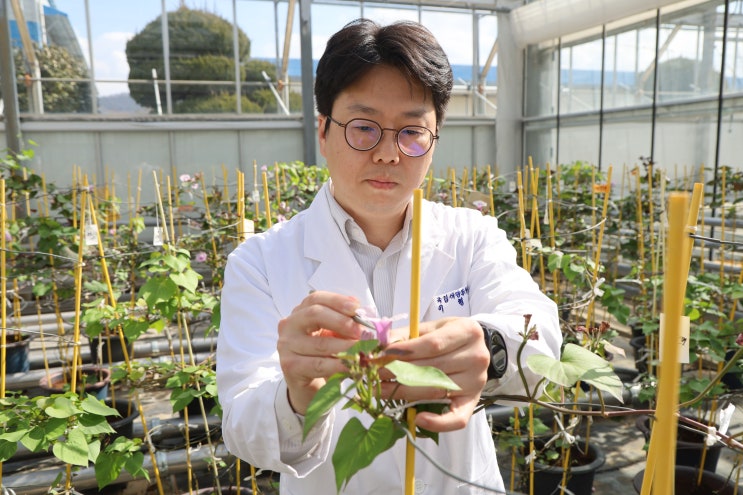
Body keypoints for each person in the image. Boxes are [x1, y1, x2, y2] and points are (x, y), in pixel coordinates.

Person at [217, 18, 562, 495]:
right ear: (323, 131)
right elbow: (240, 426)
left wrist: (490, 347)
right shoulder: (260, 262)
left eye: (412, 132)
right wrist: (295, 396)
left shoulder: (471, 235)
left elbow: (541, 333)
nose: (387, 154)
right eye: (364, 128)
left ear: (434, 141)